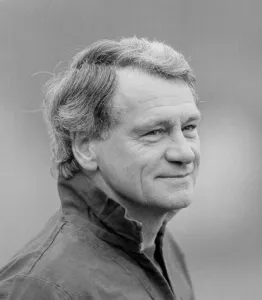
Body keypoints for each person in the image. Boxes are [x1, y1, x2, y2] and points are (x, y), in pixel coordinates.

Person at [0, 37, 201, 300]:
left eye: (189, 128)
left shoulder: (162, 249)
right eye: (154, 132)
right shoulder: (40, 287)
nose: (184, 152)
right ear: (85, 147)